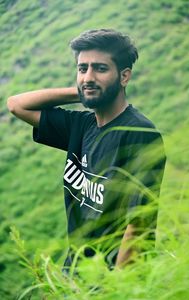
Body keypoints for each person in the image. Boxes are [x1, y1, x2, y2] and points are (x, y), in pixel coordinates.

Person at [7, 29, 166, 272]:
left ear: (124, 77)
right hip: (76, 271)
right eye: (83, 69)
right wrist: (86, 90)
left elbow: (139, 225)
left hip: (109, 280)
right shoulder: (81, 126)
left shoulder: (140, 134)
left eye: (100, 69)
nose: (88, 76)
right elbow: (17, 105)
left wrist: (117, 290)